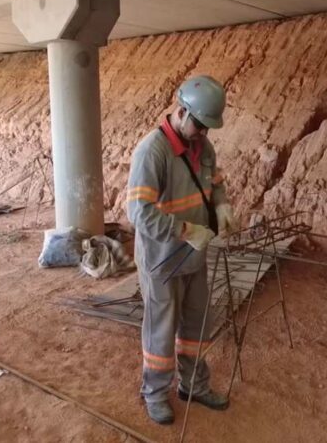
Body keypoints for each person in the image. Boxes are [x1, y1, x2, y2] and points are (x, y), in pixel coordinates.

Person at [126, 75, 238, 424]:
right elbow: (139, 213)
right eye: (200, 126)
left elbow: (214, 182)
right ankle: (155, 394)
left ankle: (194, 385)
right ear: (181, 111)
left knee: (196, 326)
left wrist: (221, 206)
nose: (204, 134)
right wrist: (186, 230)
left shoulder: (204, 147)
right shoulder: (152, 151)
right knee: (161, 330)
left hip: (194, 258)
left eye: (208, 128)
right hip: (162, 261)